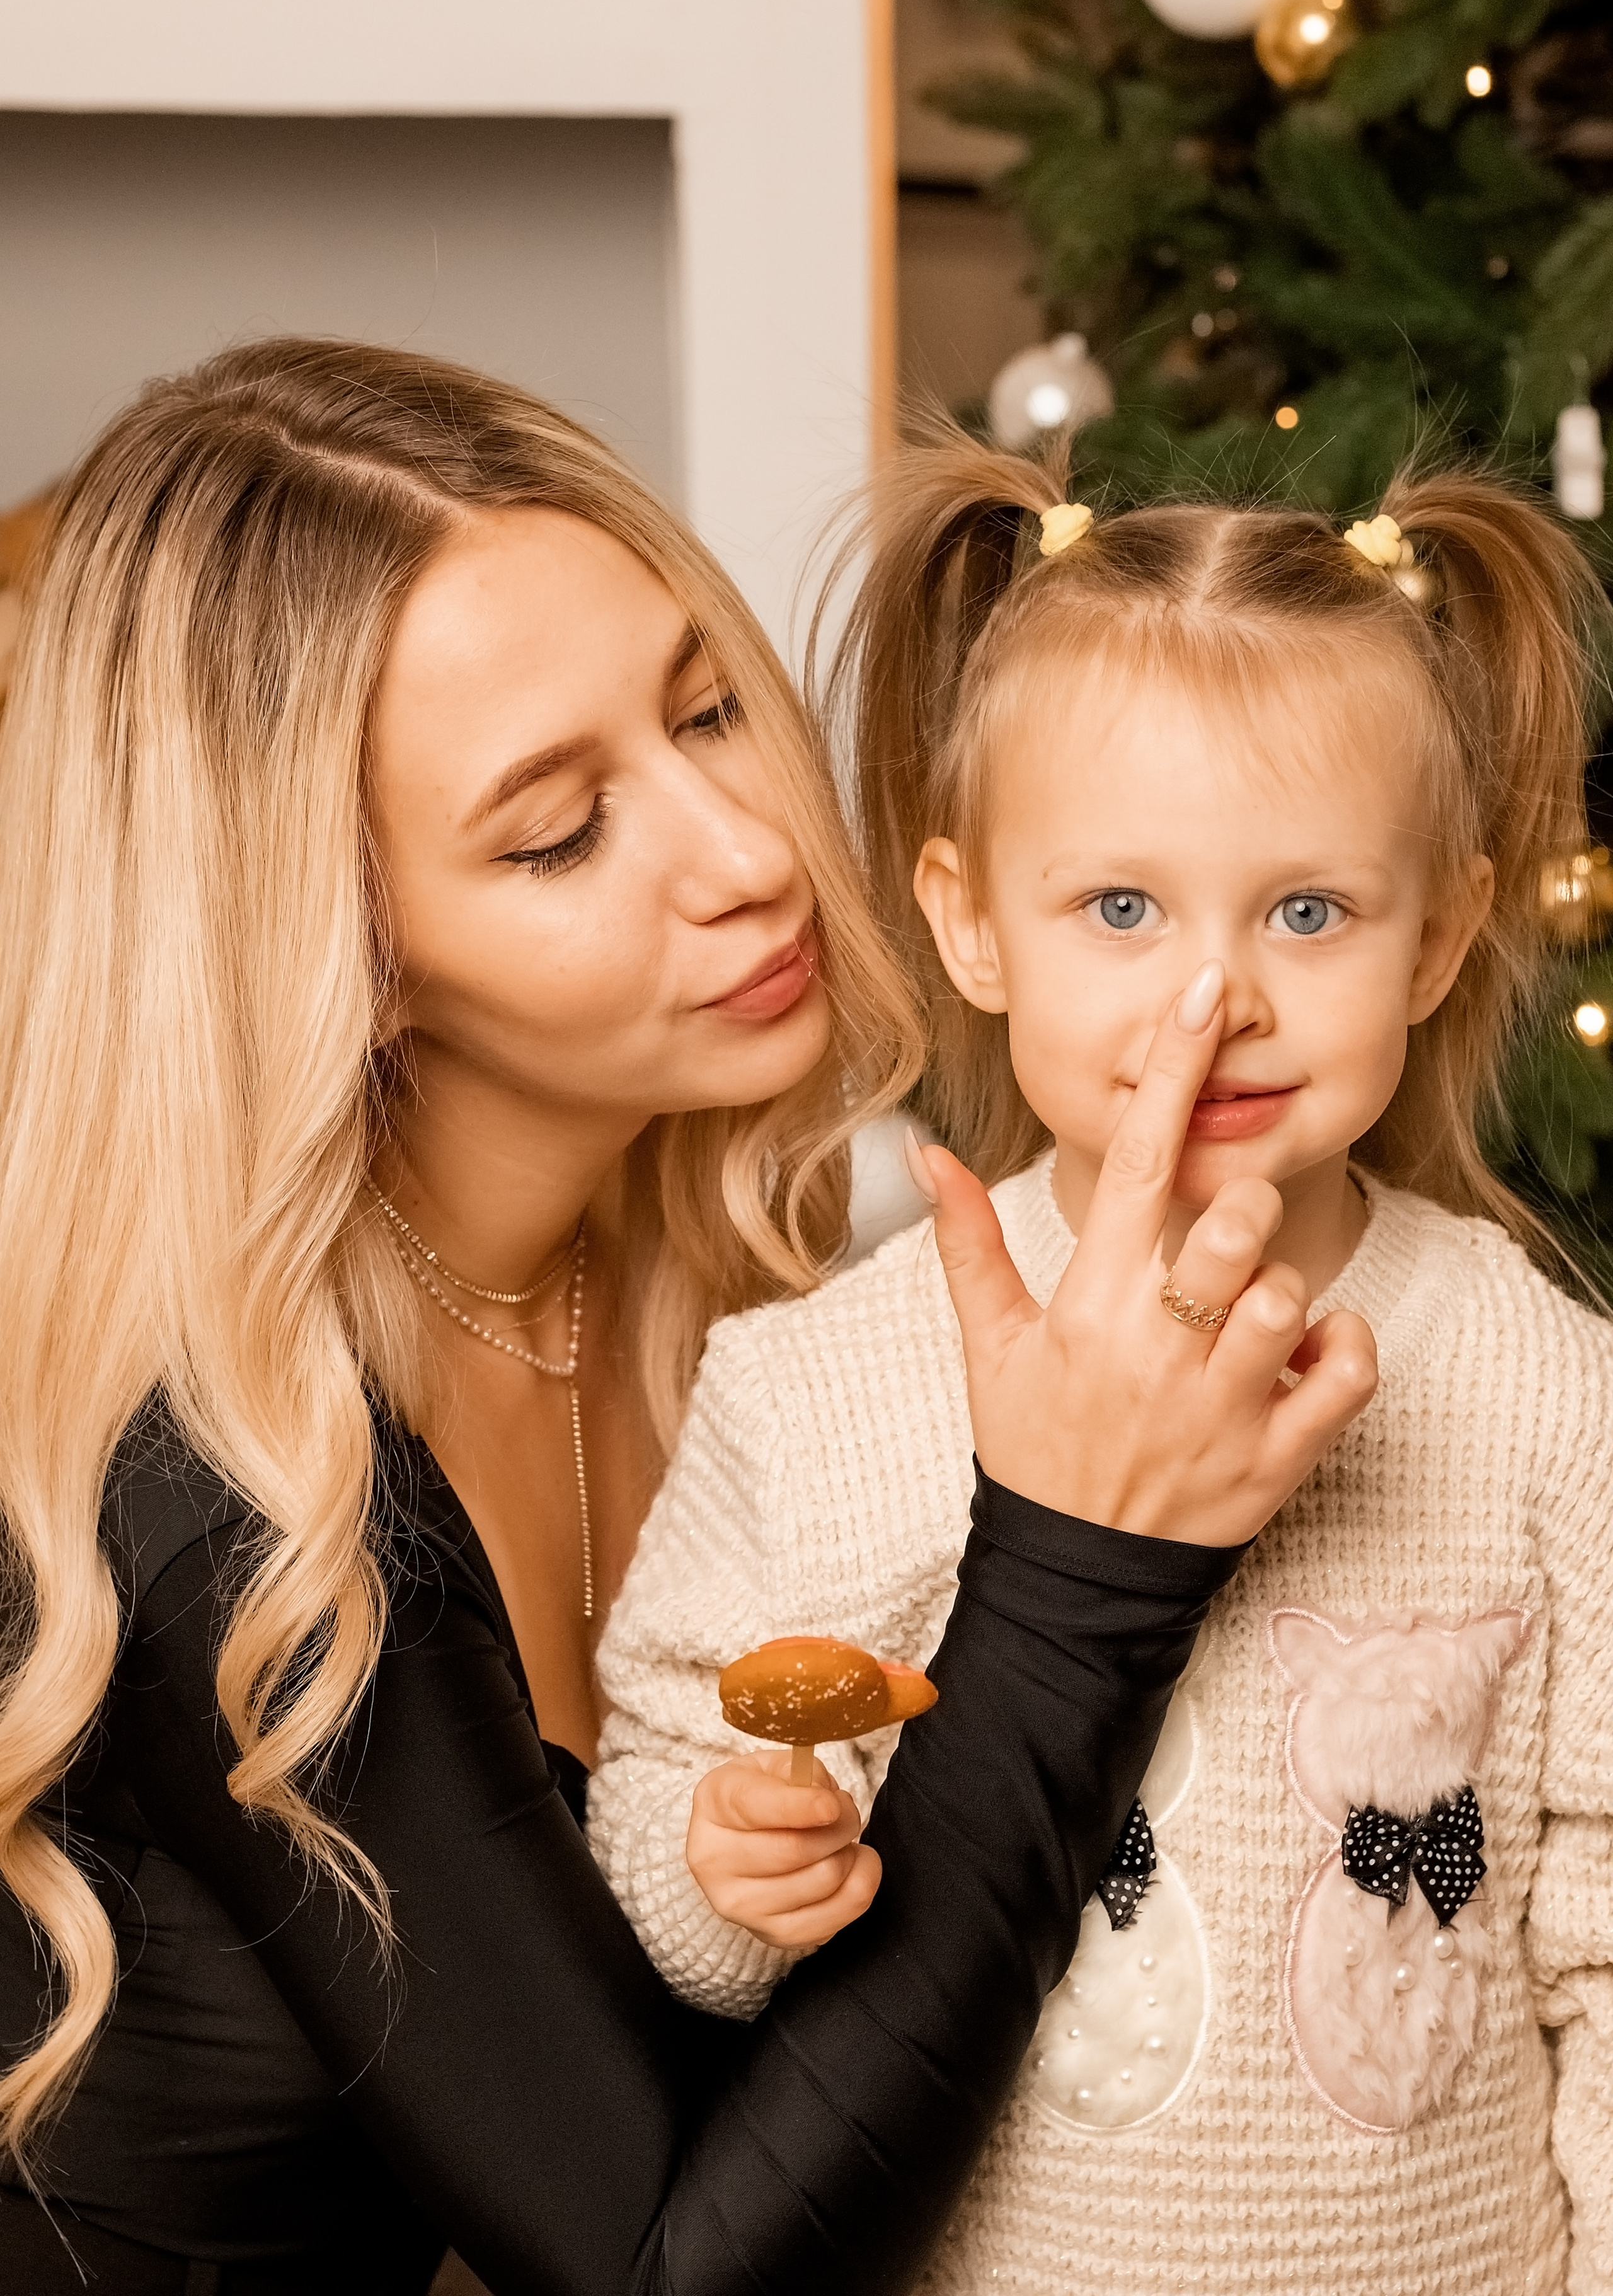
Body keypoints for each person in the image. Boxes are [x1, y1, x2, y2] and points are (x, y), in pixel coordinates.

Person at [0, 345, 1374, 2296]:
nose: (749, 856)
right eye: (559, 833)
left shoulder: (738, 1301)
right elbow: (667, 2265)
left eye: (710, 706)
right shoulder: (218, 1485)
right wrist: (1083, 1571)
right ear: (335, 952)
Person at [590, 439, 1613, 2296]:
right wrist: (728, 1867)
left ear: (1443, 935)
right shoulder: (812, 1394)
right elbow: (672, 1817)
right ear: (972, 923)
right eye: (1122, 910)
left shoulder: (1549, 1392)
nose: (1213, 1003)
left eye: (1308, 912)